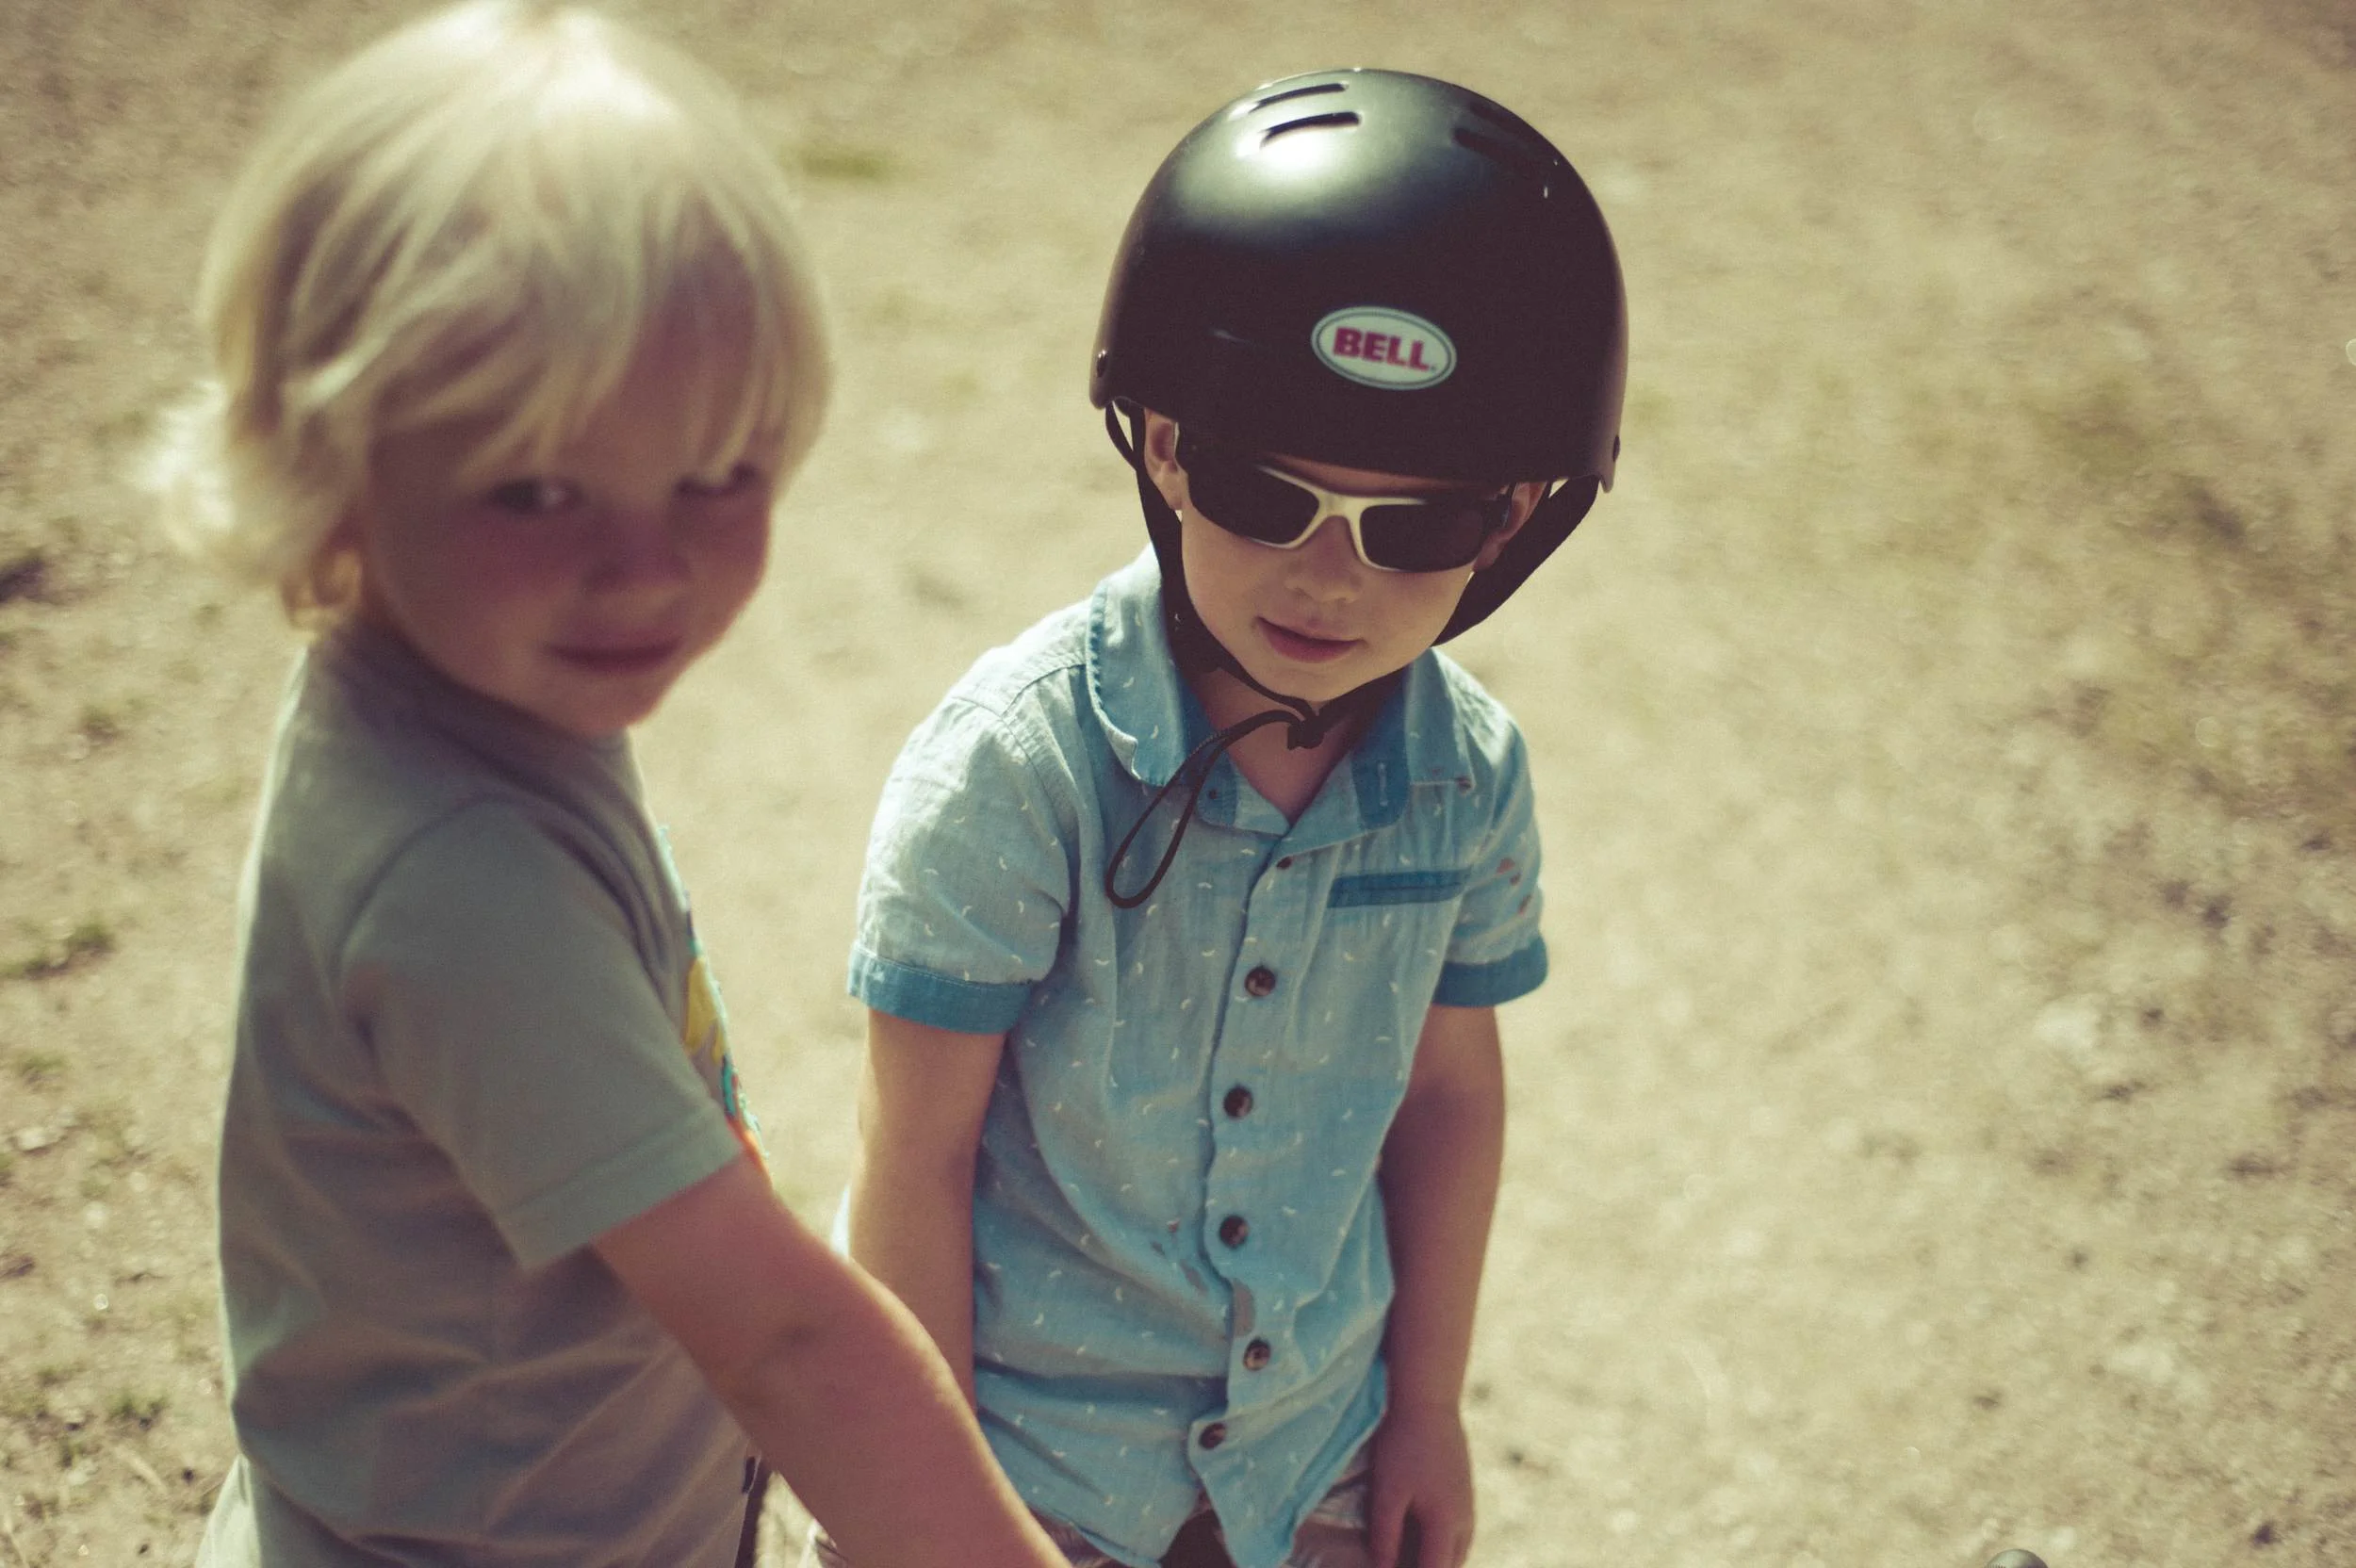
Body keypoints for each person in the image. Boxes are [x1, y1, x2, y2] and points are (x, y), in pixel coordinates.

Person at [149, 5, 1070, 1564]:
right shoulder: (461, 884)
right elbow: (786, 1343)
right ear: (334, 462)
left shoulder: (441, 675)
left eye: (718, 475)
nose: (645, 568)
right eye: (537, 487)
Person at [833, 70, 1627, 1568]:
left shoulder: (1471, 777)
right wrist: (922, 1514)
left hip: (1305, 1468)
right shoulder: (1019, 766)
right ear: (1165, 447)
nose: (1330, 581)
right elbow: (912, 1152)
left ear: (1514, 517)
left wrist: (1429, 1408)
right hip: (1024, 1469)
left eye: (1419, 528)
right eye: (1269, 496)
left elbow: (1450, 1098)